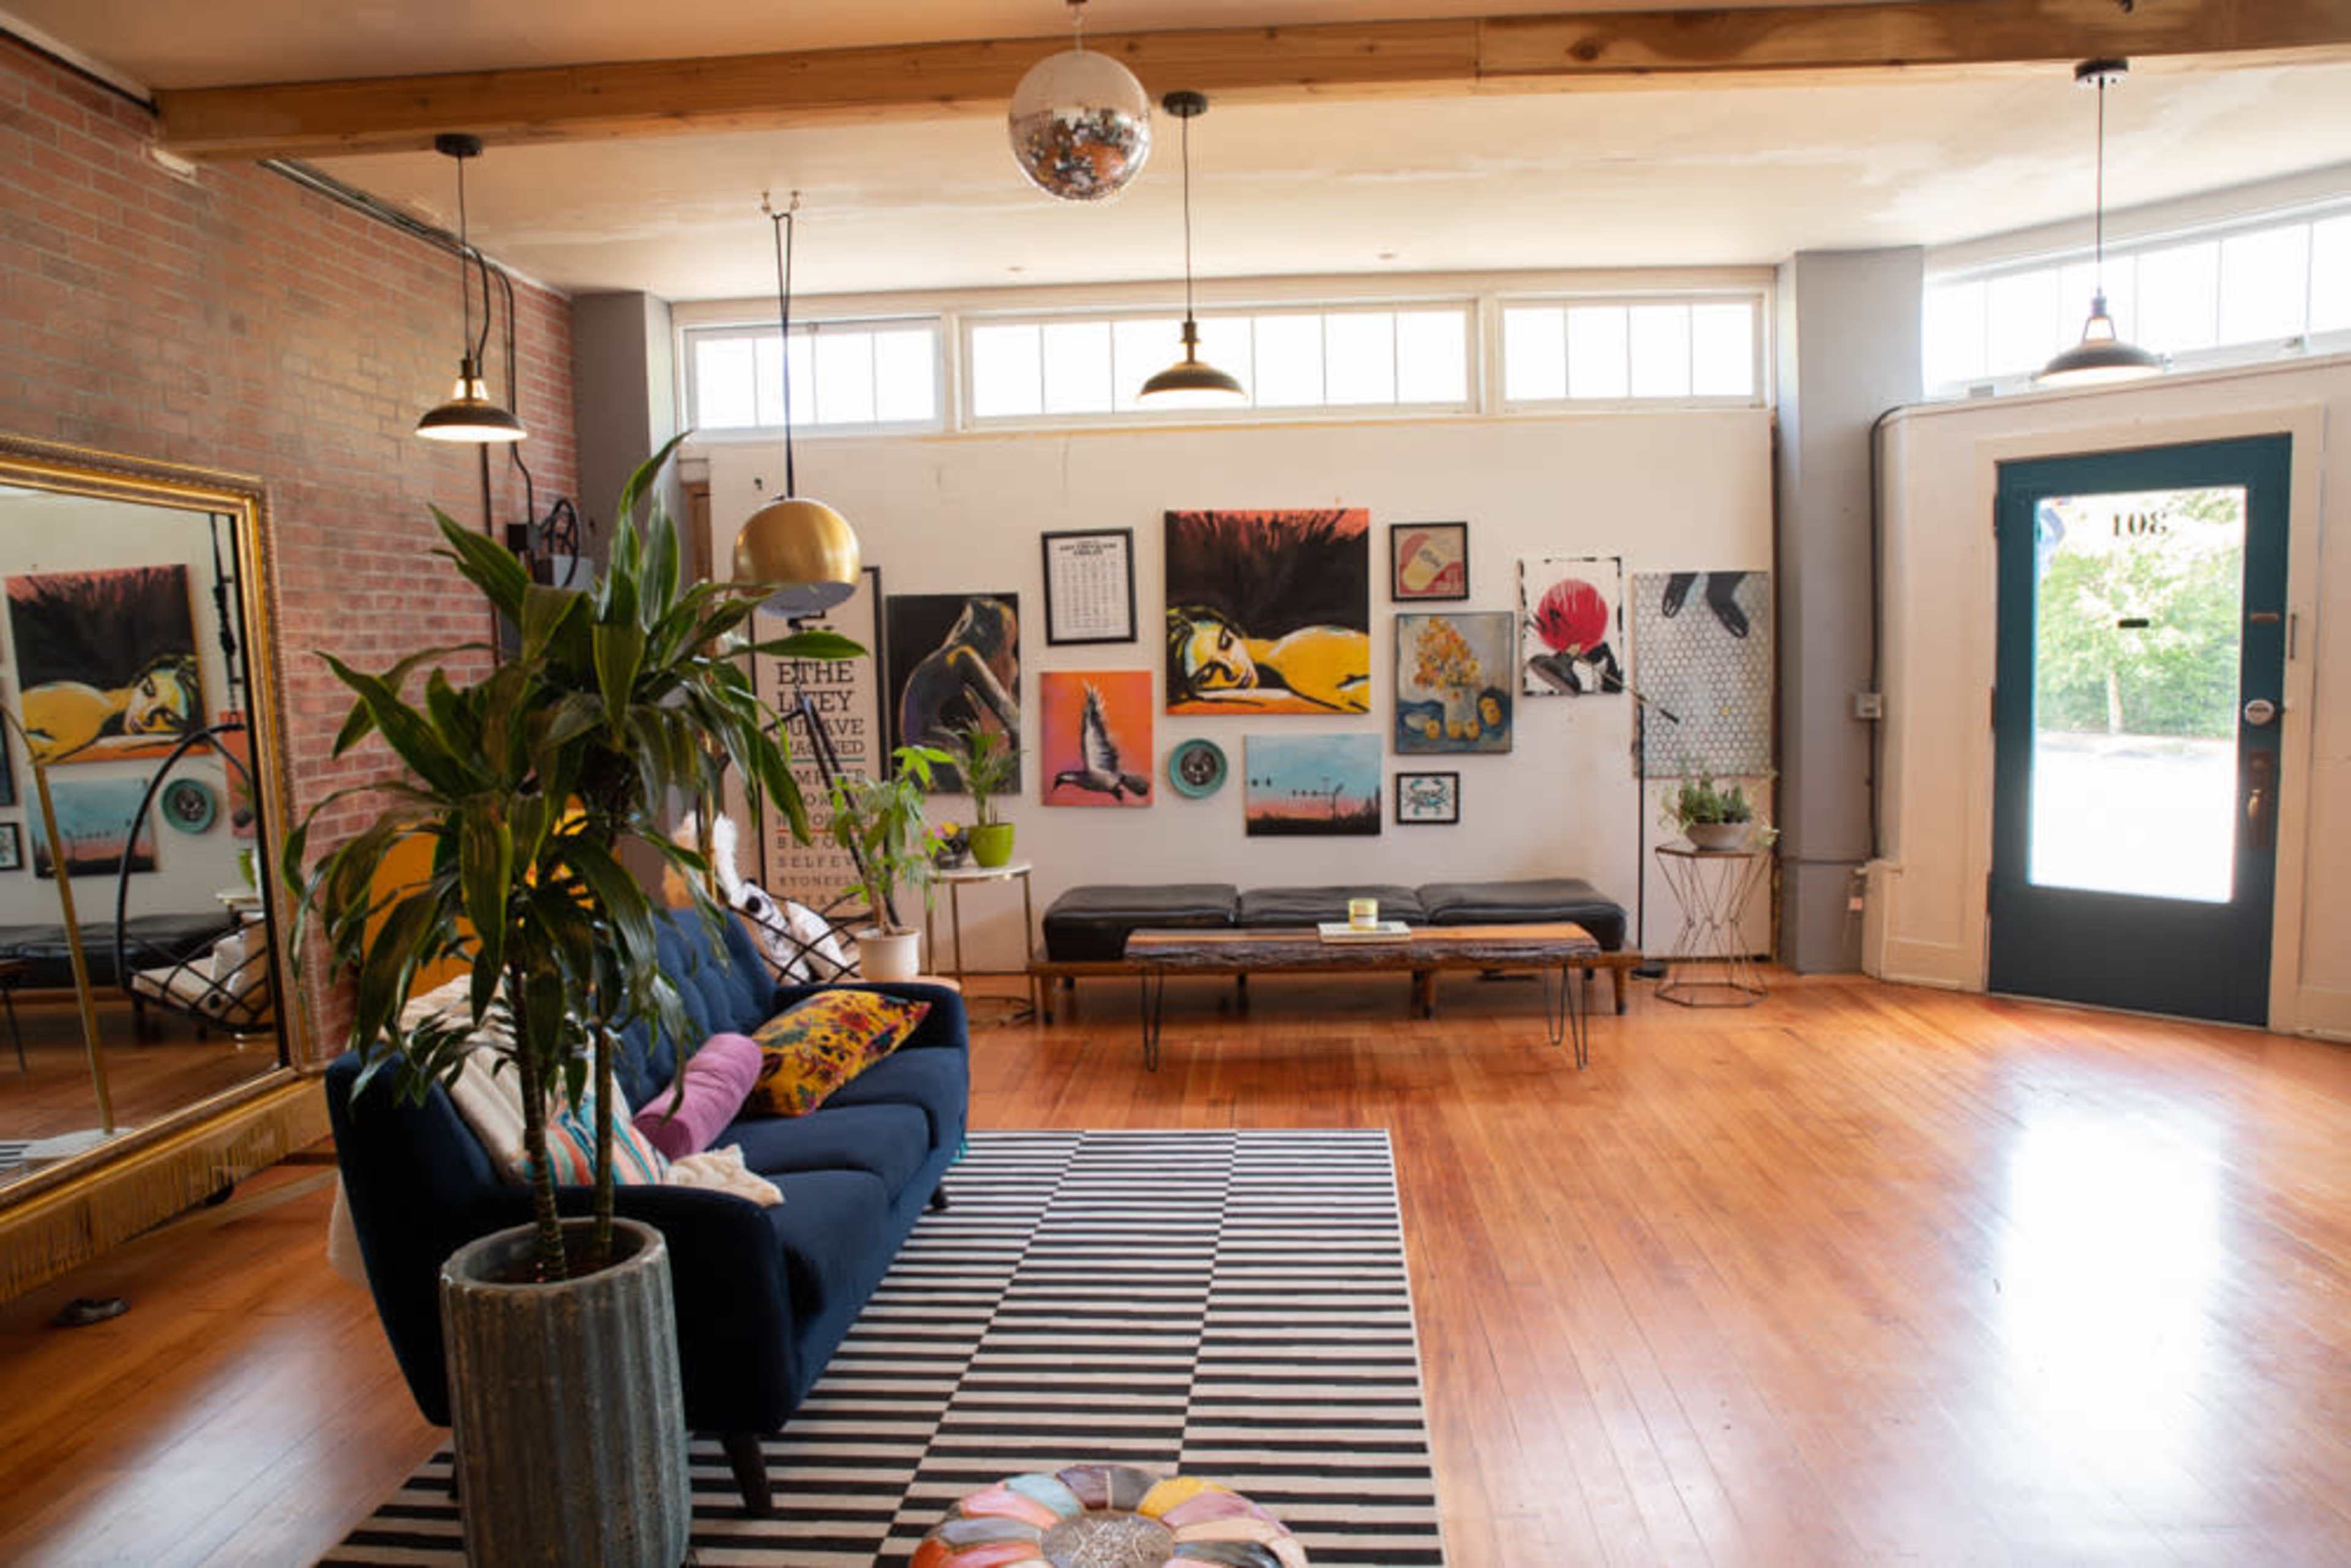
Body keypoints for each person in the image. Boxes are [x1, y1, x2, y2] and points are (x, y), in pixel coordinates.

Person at [1166, 606, 1369, 713]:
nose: (1233, 670)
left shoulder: (1298, 655)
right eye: (1209, 674)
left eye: (1226, 643)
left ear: (1235, 632)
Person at [20, 652, 200, 763]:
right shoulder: (87, 710)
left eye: (167, 718)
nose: (146, 716)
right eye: (148, 691)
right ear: (137, 683)